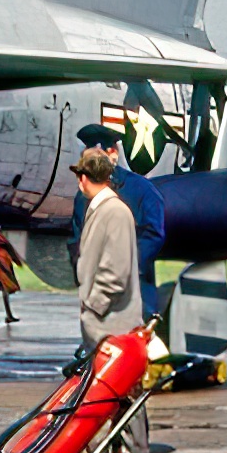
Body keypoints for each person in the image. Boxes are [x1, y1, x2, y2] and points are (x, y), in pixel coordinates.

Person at [72, 147, 148, 453]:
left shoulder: (114, 212)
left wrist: (93, 305)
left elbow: (115, 272)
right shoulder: (103, 208)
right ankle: (116, 448)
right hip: (106, 317)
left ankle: (132, 452)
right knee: (110, 389)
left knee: (123, 388)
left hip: (113, 318)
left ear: (83, 178)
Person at [70, 123, 167, 317]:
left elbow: (153, 234)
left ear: (113, 153)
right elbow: (77, 237)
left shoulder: (141, 189)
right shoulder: (84, 195)